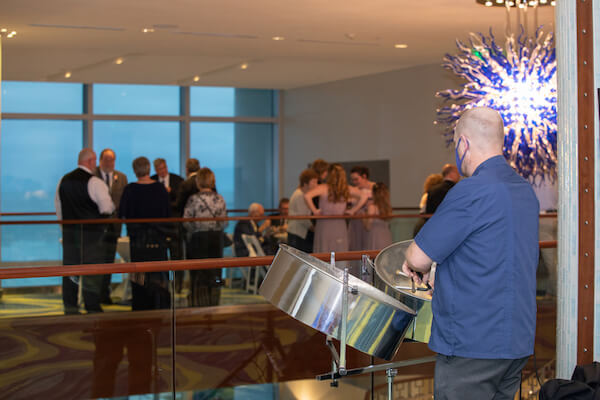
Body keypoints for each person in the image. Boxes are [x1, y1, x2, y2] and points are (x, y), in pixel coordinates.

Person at [401, 107, 539, 400]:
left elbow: (417, 258)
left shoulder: (471, 190)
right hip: (516, 340)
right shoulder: (523, 190)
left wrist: (425, 266)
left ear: (463, 143)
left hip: (473, 343)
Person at [55, 148, 115, 314]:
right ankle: (92, 306)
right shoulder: (95, 182)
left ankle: (70, 307)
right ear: (90, 161)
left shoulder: (63, 180)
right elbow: (106, 208)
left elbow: (59, 208)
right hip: (92, 237)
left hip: (69, 235)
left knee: (70, 272)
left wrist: (65, 227)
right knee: (91, 273)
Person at [119, 156, 171, 310]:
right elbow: (168, 215)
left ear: (135, 171)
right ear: (149, 169)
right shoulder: (160, 189)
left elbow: (122, 214)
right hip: (158, 240)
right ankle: (160, 306)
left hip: (138, 241)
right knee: (159, 275)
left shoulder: (130, 190)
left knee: (138, 277)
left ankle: (140, 307)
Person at [183, 167, 227, 307]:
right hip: (215, 238)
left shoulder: (193, 199)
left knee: (199, 273)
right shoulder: (219, 199)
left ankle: (199, 303)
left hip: (198, 240)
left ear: (198, 181)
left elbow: (186, 221)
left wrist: (195, 230)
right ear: (212, 181)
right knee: (215, 272)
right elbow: (224, 222)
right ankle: (214, 303)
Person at [304, 164, 369, 255]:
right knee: (339, 250)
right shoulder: (346, 188)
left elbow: (307, 196)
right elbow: (364, 196)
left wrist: (315, 211)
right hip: (339, 224)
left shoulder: (323, 187)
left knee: (324, 250)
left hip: (324, 223)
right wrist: (352, 210)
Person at [94, 148, 128, 304]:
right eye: (106, 159)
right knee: (96, 262)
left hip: (114, 228)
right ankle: (94, 294)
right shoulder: (92, 177)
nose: (109, 163)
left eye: (112, 160)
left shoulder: (121, 178)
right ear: (100, 161)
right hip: (96, 228)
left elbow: (125, 202)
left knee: (109, 261)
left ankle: (104, 293)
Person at [287, 169, 319, 253]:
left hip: (297, 232)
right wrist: (315, 229)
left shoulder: (300, 194)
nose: (316, 185)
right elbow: (303, 217)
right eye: (314, 182)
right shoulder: (300, 195)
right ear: (305, 183)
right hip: (297, 233)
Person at [348, 166, 375, 251]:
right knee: (355, 247)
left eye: (356, 179)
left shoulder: (374, 187)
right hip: (356, 223)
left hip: (370, 223)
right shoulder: (353, 190)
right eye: (352, 180)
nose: (354, 182)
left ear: (364, 176)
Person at [363, 182, 392, 250]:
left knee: (375, 258)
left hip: (375, 237)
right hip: (386, 236)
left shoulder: (372, 207)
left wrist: (364, 216)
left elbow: (368, 226)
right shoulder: (387, 208)